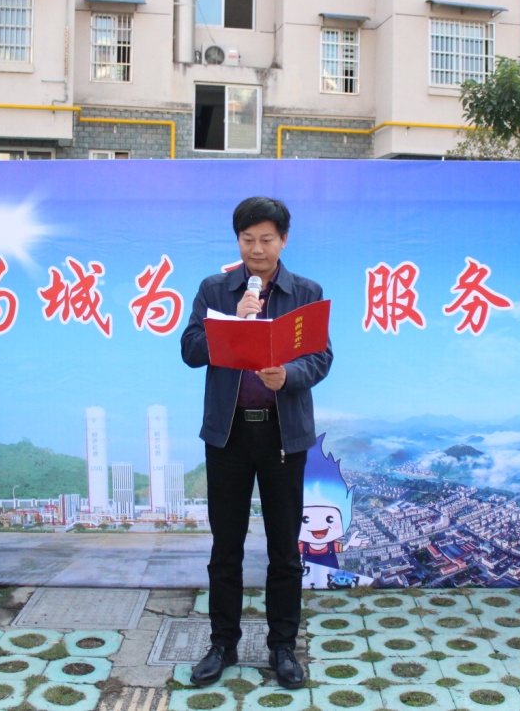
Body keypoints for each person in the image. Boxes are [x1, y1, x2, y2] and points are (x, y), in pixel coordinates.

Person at [180, 196, 333, 690]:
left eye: (267, 239)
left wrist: (288, 375)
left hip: (282, 435)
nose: (257, 249)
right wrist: (232, 320)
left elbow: (321, 358)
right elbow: (190, 350)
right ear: (238, 241)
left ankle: (282, 647)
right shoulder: (215, 289)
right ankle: (222, 644)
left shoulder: (305, 292)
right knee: (226, 546)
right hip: (228, 435)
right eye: (248, 240)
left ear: (283, 240)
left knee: (284, 549)